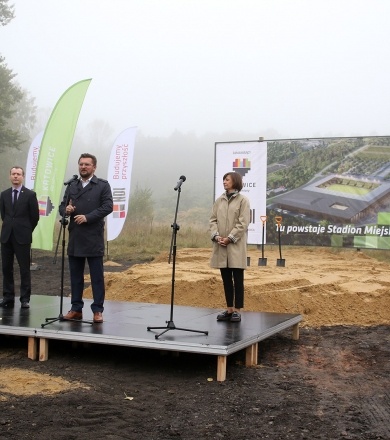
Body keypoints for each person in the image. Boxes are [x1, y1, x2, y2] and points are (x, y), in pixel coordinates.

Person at [59, 153, 113, 323]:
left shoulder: (102, 185)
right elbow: (62, 205)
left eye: (87, 164)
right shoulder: (72, 185)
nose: (83, 167)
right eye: (81, 164)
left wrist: (88, 217)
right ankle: (76, 309)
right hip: (75, 236)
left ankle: (98, 310)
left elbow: (108, 206)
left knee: (96, 276)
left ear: (94, 167)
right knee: (76, 276)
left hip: (93, 237)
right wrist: (65, 210)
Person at [209, 171, 250, 322]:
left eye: (227, 179)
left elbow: (243, 223)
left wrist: (230, 238)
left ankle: (237, 310)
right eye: (223, 179)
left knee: (238, 279)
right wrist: (216, 236)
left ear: (235, 182)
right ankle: (229, 309)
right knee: (226, 279)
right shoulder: (219, 200)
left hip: (235, 246)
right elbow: (212, 220)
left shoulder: (243, 200)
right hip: (221, 245)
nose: (224, 182)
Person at [0, 166, 40, 309]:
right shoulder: (3, 195)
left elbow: (35, 217)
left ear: (23, 176)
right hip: (6, 238)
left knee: (24, 268)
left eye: (18, 174)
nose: (16, 176)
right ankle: (8, 297)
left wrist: (26, 229)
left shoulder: (30, 195)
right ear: (10, 176)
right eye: (13, 174)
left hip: (22, 237)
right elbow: (4, 215)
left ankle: (24, 299)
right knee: (6, 268)